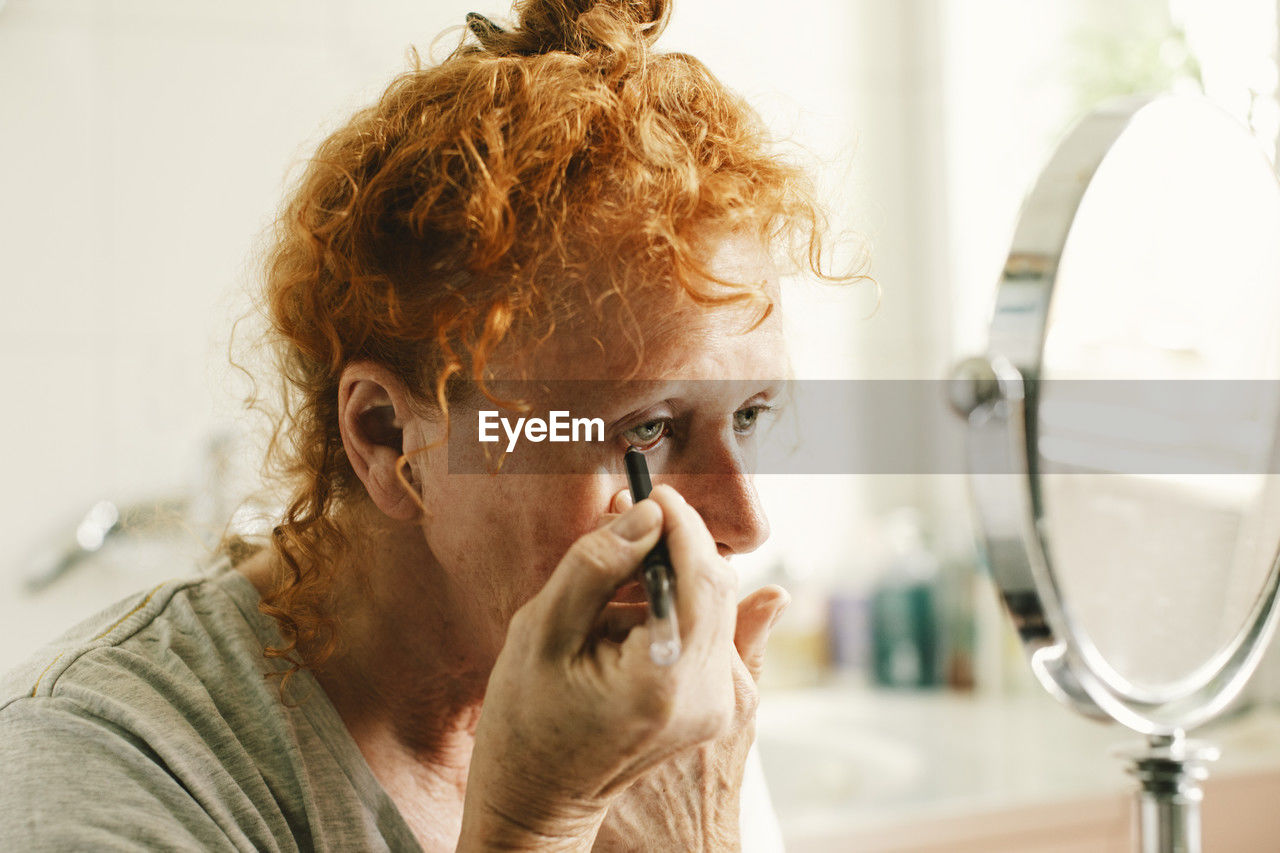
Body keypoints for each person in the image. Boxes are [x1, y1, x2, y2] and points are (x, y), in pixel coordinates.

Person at [0, 1, 847, 849]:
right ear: (391, 440)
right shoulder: (104, 767)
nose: (742, 523)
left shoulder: (658, 713)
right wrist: (538, 825)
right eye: (649, 431)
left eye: (750, 415)